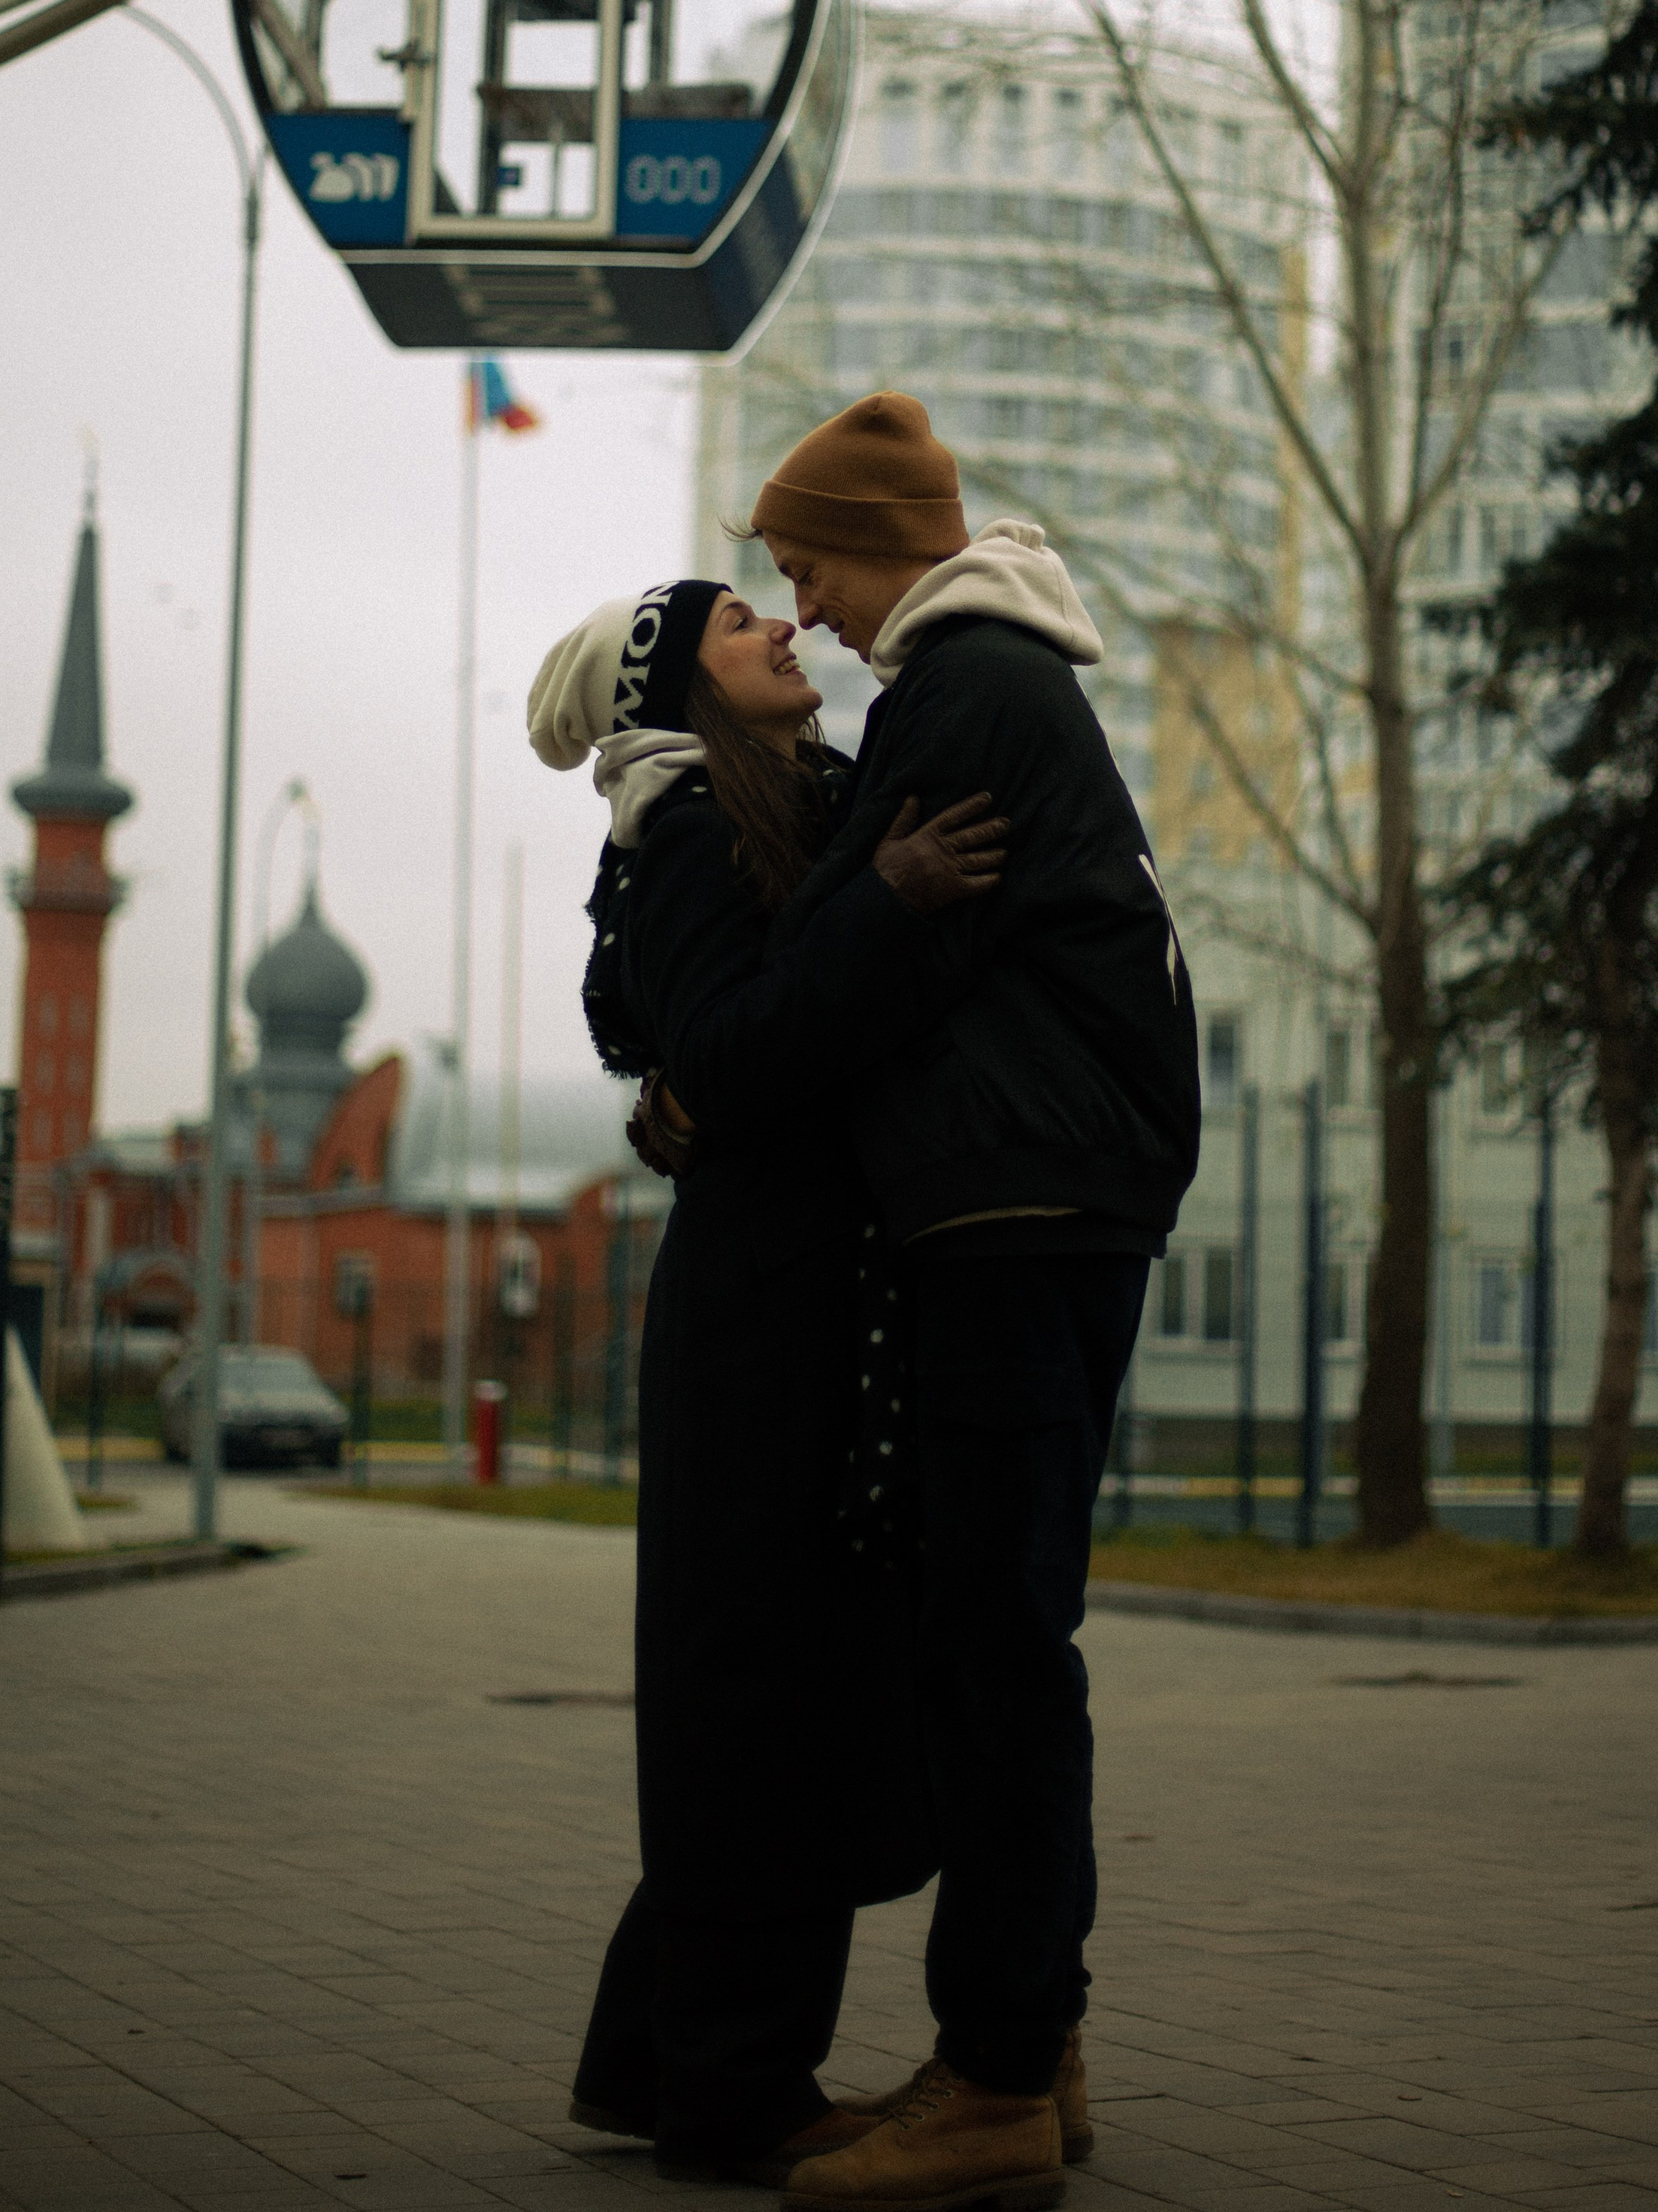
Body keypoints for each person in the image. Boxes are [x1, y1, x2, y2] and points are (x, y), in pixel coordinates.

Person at [736, 392, 1203, 2212]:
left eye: (808, 569)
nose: (810, 611)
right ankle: (1038, 2042)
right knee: (995, 1632)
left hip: (1022, 1200)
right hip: (1042, 1197)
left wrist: (711, 1060)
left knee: (993, 1643)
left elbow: (816, 970)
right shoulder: (989, 683)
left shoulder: (967, 687)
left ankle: (997, 2079)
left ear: (876, 540)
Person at [527, 573, 1008, 2187]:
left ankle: (658, 2060)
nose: (784, 633)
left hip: (807, 1316)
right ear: (680, 688)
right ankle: (737, 2095)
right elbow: (722, 1051)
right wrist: (887, 894)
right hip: (759, 1334)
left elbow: (702, 1061)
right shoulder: (682, 834)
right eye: (746, 627)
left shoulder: (792, 803)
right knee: (755, 1705)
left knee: (771, 1696)